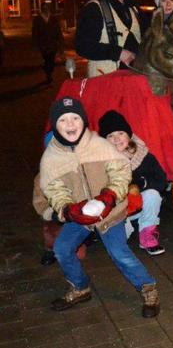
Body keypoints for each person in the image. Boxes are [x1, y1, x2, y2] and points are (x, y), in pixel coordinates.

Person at [37, 97, 159, 317]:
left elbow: (121, 171)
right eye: (63, 120)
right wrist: (68, 210)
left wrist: (110, 195)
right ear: (55, 124)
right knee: (62, 248)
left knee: (119, 252)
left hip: (110, 212)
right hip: (79, 214)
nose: (71, 124)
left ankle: (148, 287)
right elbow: (53, 188)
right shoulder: (51, 157)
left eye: (75, 118)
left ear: (83, 121)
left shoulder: (99, 144)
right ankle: (80, 286)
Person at [99, 110, 167, 256]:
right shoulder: (101, 161)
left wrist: (140, 185)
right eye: (110, 136)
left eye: (120, 133)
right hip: (118, 209)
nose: (116, 139)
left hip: (140, 203)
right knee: (118, 244)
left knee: (153, 194)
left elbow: (161, 180)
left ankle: (147, 232)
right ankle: (120, 230)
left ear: (128, 135)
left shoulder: (143, 155)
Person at [76, 0, 147, 77]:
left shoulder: (134, 9)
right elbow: (83, 46)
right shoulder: (95, 8)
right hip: (104, 80)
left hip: (135, 78)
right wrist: (118, 53)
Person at [32, 2, 63, 84]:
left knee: (51, 60)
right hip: (43, 44)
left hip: (52, 44)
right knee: (46, 59)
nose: (45, 9)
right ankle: (48, 75)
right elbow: (35, 33)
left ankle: (49, 73)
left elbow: (58, 31)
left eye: (46, 8)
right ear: (41, 9)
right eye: (44, 8)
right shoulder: (37, 19)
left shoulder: (53, 19)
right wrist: (35, 45)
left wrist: (60, 43)